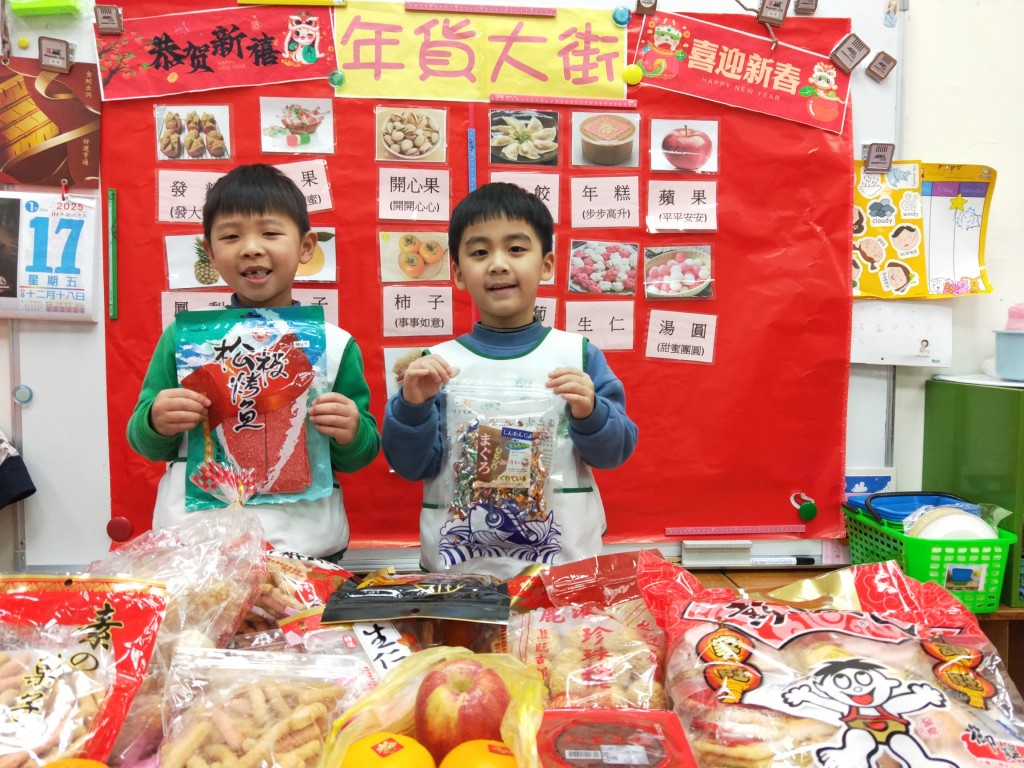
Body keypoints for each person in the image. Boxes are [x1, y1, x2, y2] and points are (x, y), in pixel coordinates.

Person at [382, 182, 638, 578]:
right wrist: (411, 407)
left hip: (562, 565)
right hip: (459, 569)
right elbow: (411, 465)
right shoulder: (436, 366)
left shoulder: (577, 356)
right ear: (458, 273)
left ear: (546, 265)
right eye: (479, 252)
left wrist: (591, 412)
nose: (498, 264)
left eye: (516, 249)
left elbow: (615, 453)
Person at [127, 164, 380, 559]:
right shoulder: (183, 338)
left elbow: (360, 454)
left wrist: (351, 431)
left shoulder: (334, 345)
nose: (250, 248)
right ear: (210, 252)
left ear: (306, 246)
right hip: (200, 546)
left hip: (306, 546)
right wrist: (156, 420)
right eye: (231, 236)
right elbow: (145, 441)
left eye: (270, 233)